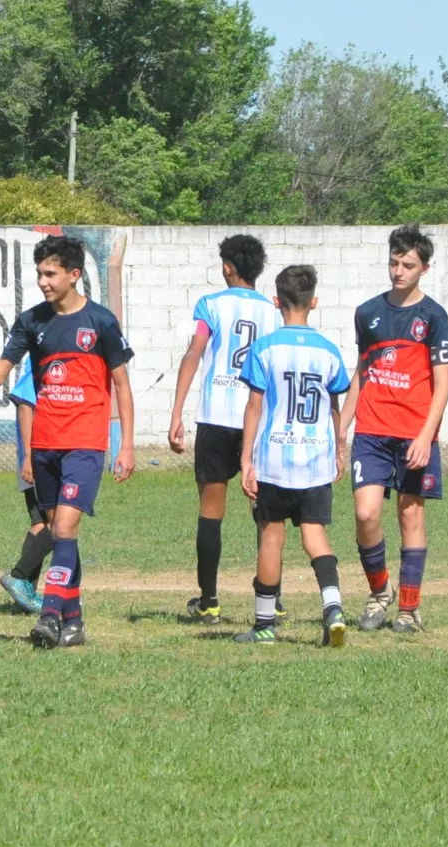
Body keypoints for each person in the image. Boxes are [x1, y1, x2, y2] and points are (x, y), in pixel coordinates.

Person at [0, 235, 136, 649]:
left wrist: (126, 444)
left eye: (50, 273)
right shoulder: (31, 321)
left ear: (74, 275)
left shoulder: (101, 323)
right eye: (39, 272)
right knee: (61, 534)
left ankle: (49, 616)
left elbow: (122, 386)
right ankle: (74, 623)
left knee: (63, 526)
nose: (42, 280)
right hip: (44, 444)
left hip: (85, 444)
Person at [338, 224, 448, 633]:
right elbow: (361, 374)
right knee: (366, 512)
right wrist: (341, 429)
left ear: (424, 268)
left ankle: (408, 608)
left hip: (413, 434)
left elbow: (443, 385)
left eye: (407, 264)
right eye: (393, 262)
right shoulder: (368, 314)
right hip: (371, 432)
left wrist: (426, 435)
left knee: (410, 514)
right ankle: (379, 592)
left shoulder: (434, 317)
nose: (398, 271)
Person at [168, 235, 283, 624]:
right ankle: (273, 599)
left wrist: (176, 412)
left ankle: (210, 600)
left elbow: (194, 353)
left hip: (217, 416)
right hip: (259, 420)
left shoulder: (211, 305)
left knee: (211, 511)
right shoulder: (273, 311)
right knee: (265, 512)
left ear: (228, 267)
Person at [234, 265, 350, 646]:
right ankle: (333, 608)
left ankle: (265, 626)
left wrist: (246, 459)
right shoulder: (329, 351)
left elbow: (254, 406)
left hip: (273, 462)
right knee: (315, 537)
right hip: (315, 461)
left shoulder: (264, 349)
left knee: (271, 539)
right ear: (313, 303)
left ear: (275, 302)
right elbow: (334, 405)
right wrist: (337, 448)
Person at [0, 355, 51, 613]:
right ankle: (19, 577)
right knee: (59, 522)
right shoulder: (41, 352)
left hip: (47, 453)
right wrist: (30, 456)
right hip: (39, 454)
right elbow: (24, 403)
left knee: (41, 523)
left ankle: (24, 595)